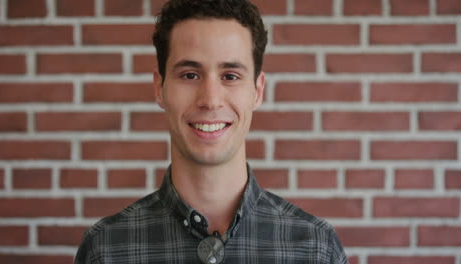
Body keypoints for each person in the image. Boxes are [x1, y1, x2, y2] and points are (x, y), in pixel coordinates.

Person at [75, 0, 349, 263]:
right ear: (160, 88)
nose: (210, 99)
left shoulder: (316, 250)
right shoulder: (107, 249)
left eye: (230, 76)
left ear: (258, 90)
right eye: (190, 75)